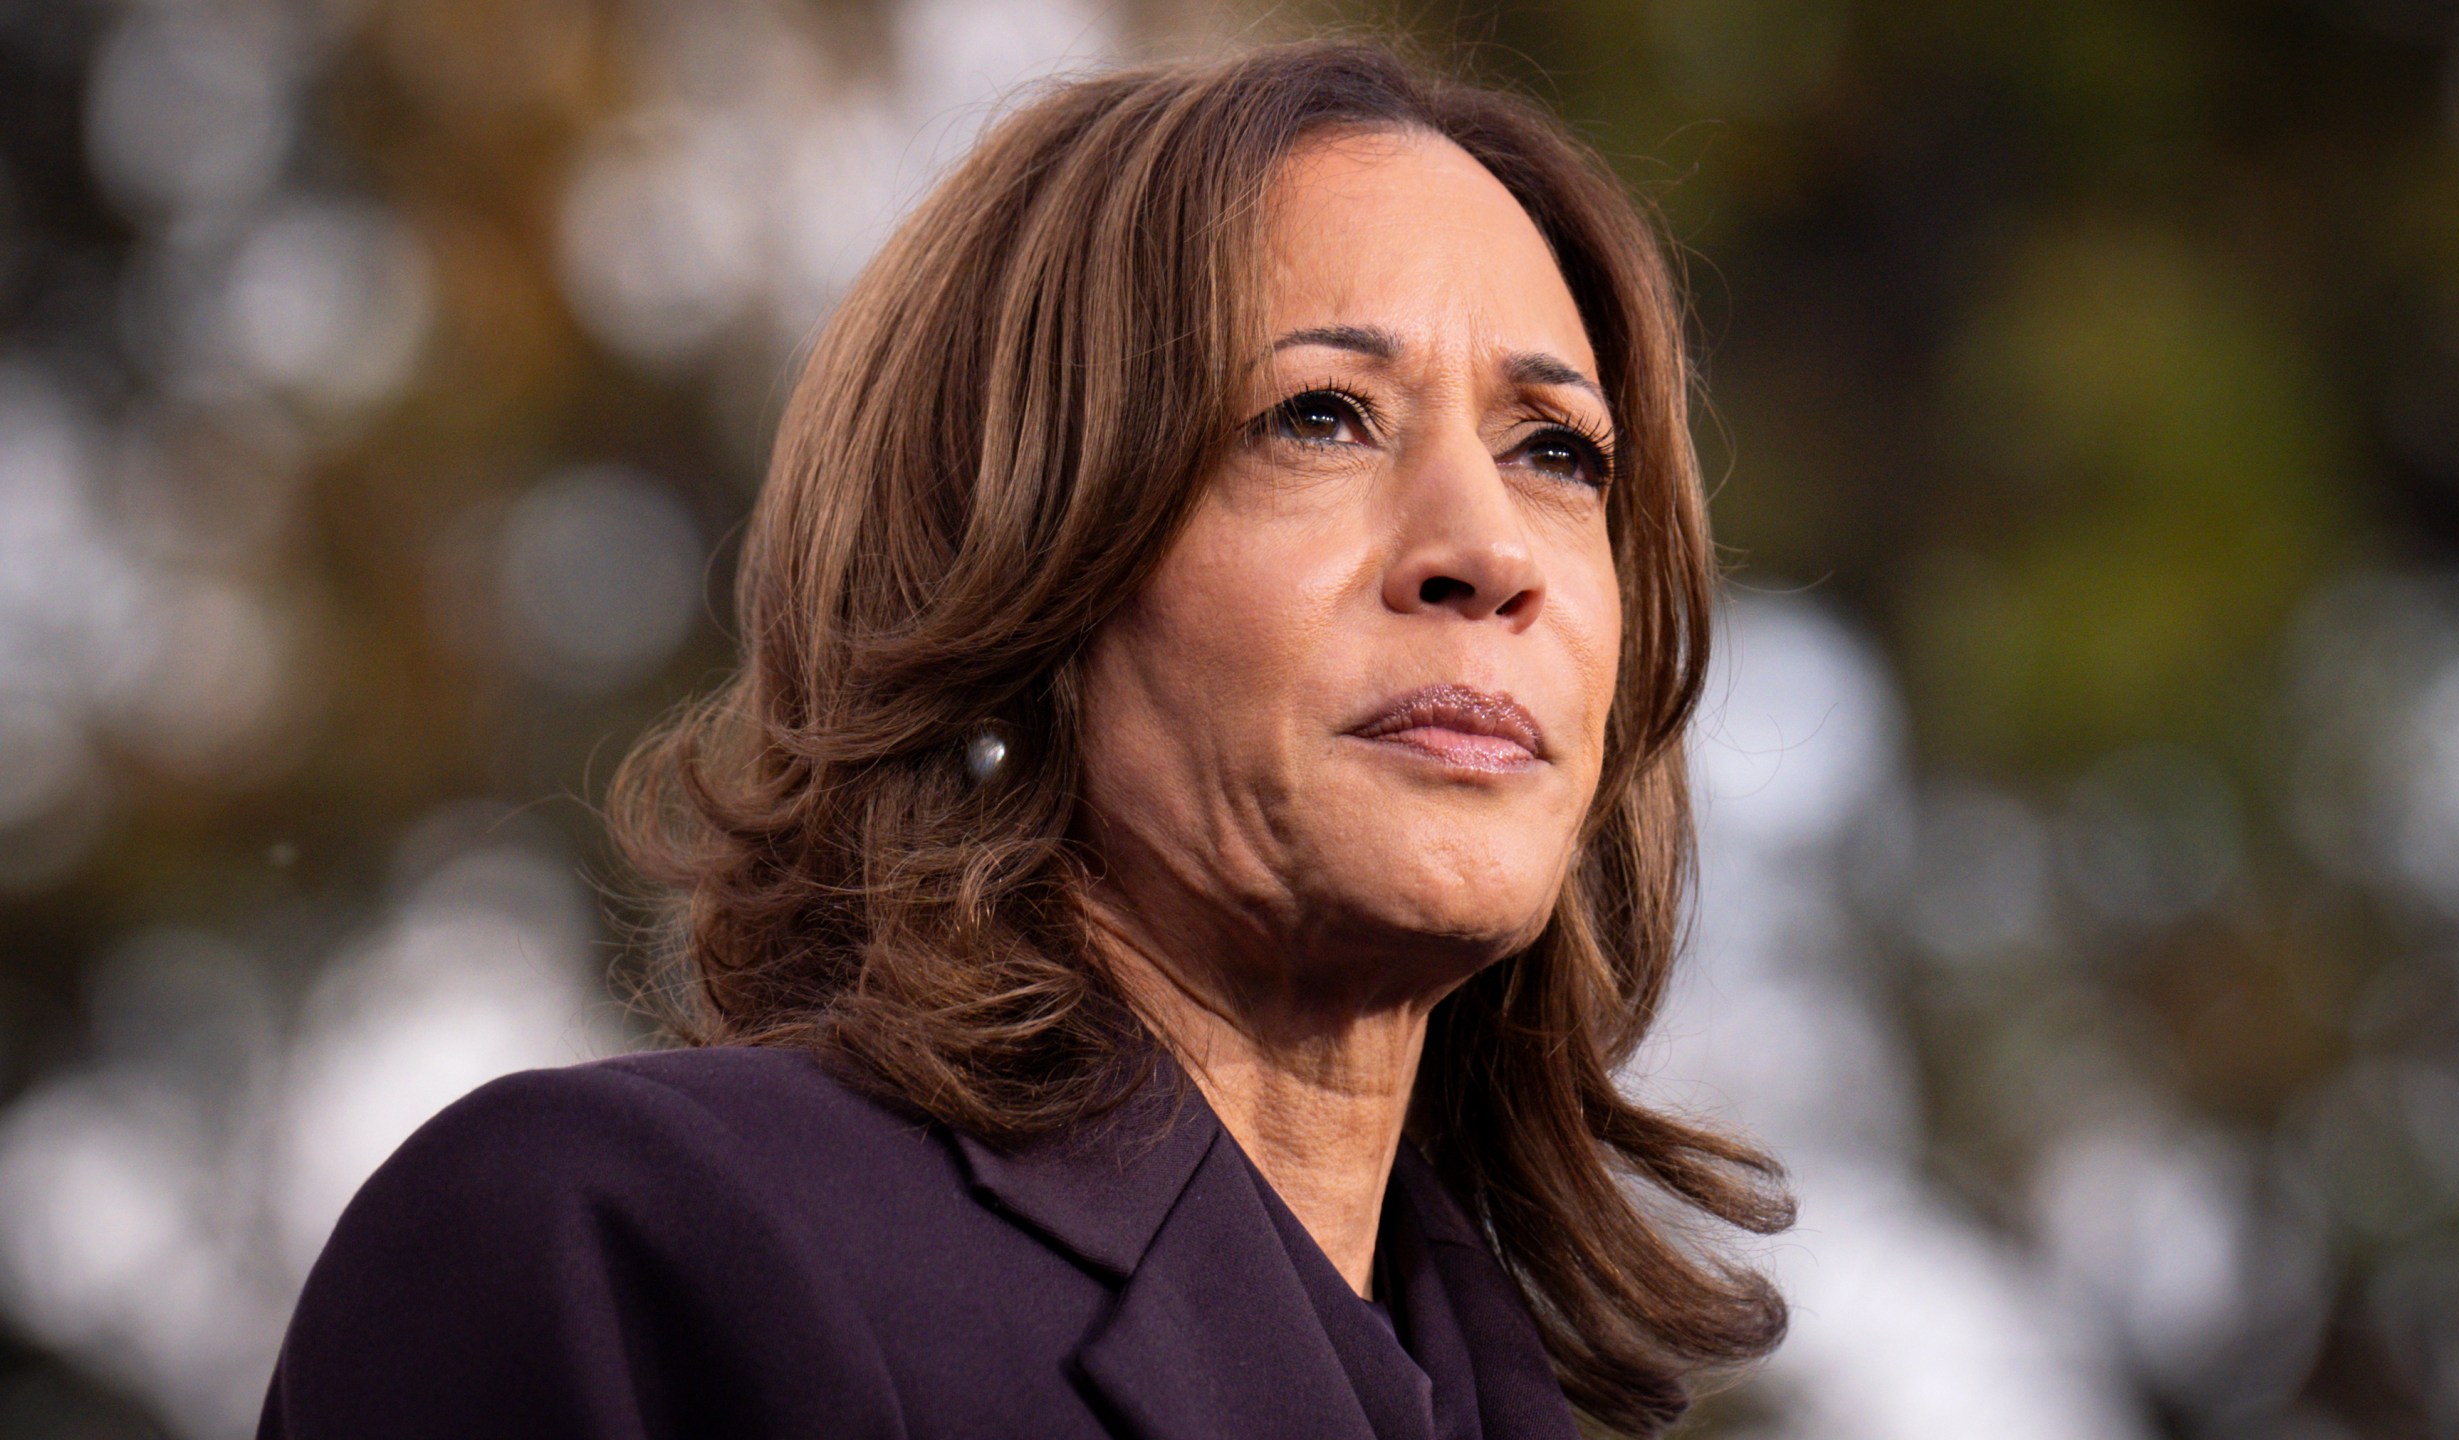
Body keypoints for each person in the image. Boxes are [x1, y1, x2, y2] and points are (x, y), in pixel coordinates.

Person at [257, 40, 1791, 1440]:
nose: (1488, 551)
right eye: (1319, 416)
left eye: (1557, 451)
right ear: (1013, 572)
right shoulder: (617, 1250)